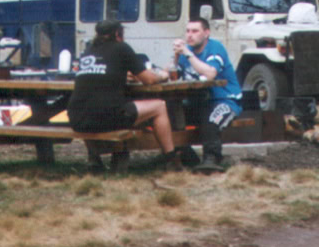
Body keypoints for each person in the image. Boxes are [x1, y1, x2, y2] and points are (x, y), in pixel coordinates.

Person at [67, 19, 181, 169]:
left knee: (94, 104)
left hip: (77, 119)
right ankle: (171, 159)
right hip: (105, 119)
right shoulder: (121, 48)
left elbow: (106, 71)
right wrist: (163, 75)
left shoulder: (88, 50)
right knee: (159, 106)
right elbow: (149, 79)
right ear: (117, 34)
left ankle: (95, 159)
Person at [173, 17, 242, 168]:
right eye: (187, 31)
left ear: (206, 33)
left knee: (212, 120)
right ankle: (186, 157)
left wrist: (187, 54)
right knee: (171, 114)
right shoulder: (186, 51)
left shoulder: (215, 47)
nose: (190, 35)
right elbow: (173, 75)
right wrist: (176, 57)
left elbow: (210, 73)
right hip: (198, 102)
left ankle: (211, 160)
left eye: (195, 31)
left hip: (225, 99)